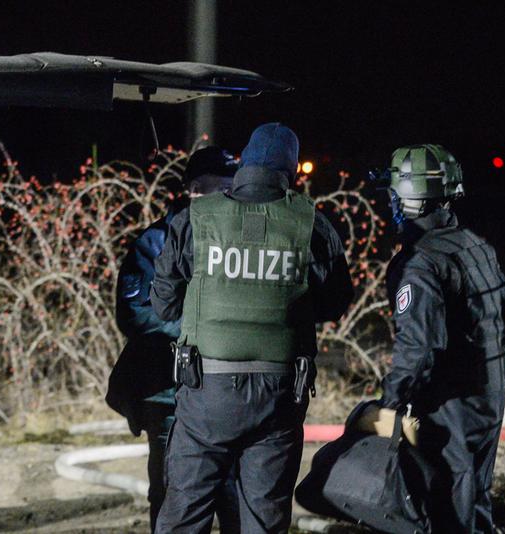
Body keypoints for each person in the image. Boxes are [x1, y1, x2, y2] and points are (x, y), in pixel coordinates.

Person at [151, 123, 353, 534]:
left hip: (206, 390)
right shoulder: (313, 223)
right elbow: (334, 303)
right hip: (279, 397)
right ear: (292, 172)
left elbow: (163, 303)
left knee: (185, 511)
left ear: (244, 162)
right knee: (263, 517)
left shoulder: (196, 219)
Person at [362, 144, 505, 533]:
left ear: (409, 199)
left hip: (448, 409)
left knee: (446, 510)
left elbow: (419, 348)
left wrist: (389, 403)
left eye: (394, 196)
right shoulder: (476, 245)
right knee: (476, 504)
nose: (391, 204)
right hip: (490, 397)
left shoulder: (420, 262)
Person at [108, 146, 240, 533]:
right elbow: (136, 315)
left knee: (233, 496)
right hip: (169, 394)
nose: (233, 198)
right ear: (194, 190)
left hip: (225, 391)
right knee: (171, 498)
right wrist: (202, 327)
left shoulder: (237, 238)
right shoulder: (157, 242)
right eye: (224, 189)